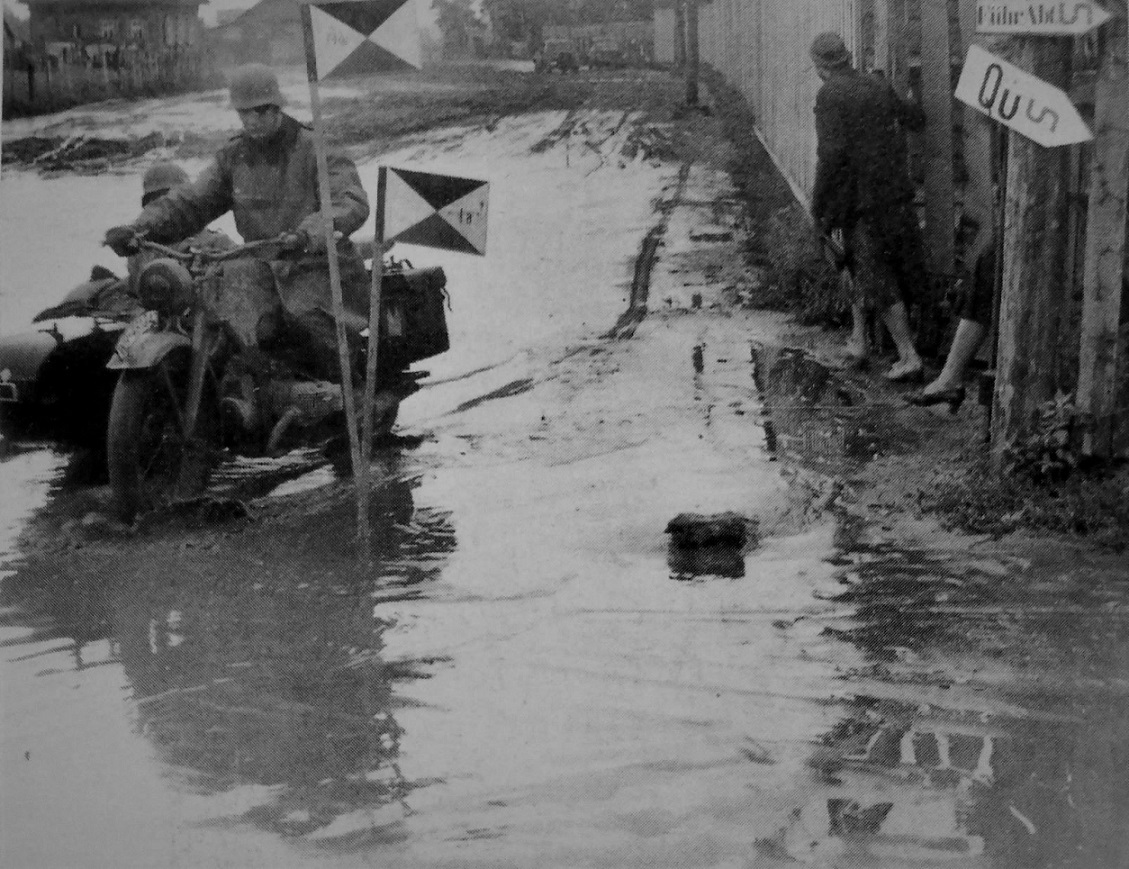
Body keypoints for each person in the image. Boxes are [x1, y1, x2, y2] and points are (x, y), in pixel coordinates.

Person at [102, 63, 370, 386]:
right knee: (222, 324)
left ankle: (352, 396)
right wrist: (140, 229)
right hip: (261, 270)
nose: (252, 121)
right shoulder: (233, 157)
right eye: (244, 113)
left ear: (277, 107)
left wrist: (306, 235)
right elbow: (192, 201)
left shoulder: (317, 149)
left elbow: (348, 202)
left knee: (321, 341)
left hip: (319, 268)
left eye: (260, 111)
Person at [809, 32, 926, 382]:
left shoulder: (829, 94)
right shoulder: (877, 83)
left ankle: (909, 356)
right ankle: (859, 341)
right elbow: (915, 118)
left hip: (861, 200)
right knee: (860, 267)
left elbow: (831, 156)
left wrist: (819, 205)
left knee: (875, 275)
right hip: (894, 191)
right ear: (847, 56)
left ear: (819, 66)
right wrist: (911, 97)